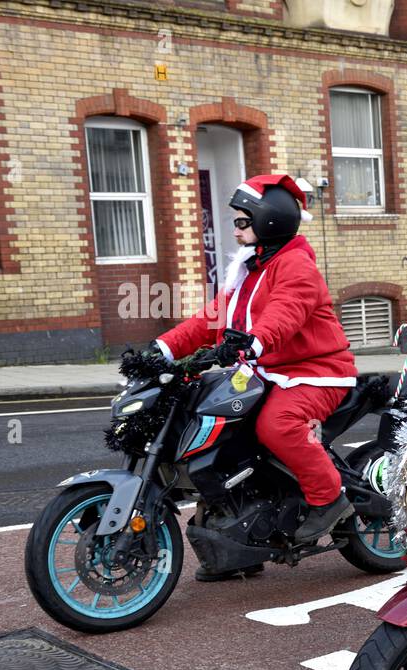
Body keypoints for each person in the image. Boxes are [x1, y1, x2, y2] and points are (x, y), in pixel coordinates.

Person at [153, 174, 358, 578]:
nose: (235, 229)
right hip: (265, 370)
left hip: (316, 372)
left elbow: (286, 312)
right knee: (219, 431)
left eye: (242, 222)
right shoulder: (250, 268)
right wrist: (159, 351)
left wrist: (253, 342)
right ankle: (238, 545)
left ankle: (328, 498)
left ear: (269, 222)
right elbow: (210, 319)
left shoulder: (296, 265)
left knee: (276, 426)